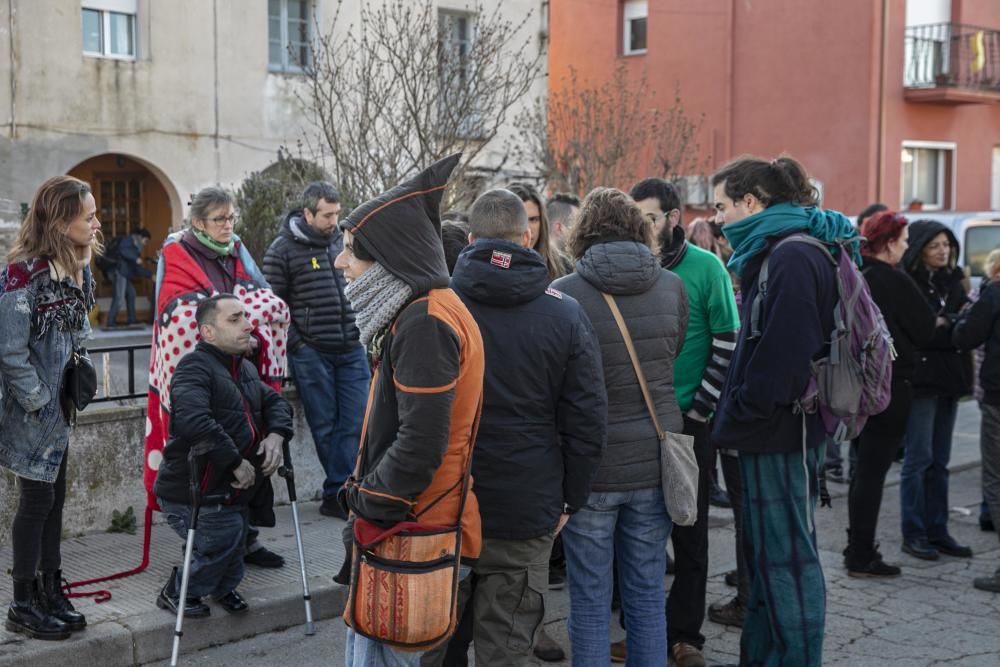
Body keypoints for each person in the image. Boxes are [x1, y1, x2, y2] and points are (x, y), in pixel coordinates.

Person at [424, 189, 607, 666]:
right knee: (507, 649)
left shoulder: (436, 308)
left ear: (469, 239)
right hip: (528, 502)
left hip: (447, 500)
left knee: (434, 646)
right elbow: (586, 418)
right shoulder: (565, 312)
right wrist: (571, 498)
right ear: (528, 236)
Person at [334, 154, 485, 666]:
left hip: (413, 525)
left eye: (351, 251)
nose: (340, 263)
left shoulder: (425, 321)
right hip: (412, 520)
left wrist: (367, 503)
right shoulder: (422, 310)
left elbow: (421, 443)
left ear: (389, 258)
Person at [711, 155, 857, 666]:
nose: (719, 219)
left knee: (788, 564)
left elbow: (784, 357)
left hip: (779, 430)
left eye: (722, 206)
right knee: (770, 562)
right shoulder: (784, 248)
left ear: (751, 202)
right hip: (778, 428)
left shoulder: (792, 256)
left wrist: (744, 408)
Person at [551, 187, 688, 667]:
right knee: (647, 593)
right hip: (654, 458)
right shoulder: (672, 287)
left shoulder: (564, 295)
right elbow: (670, 354)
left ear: (582, 233)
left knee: (588, 599)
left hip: (591, 466)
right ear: (641, 229)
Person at [145, 186, 290, 570]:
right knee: (211, 459)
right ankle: (206, 546)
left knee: (250, 445)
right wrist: (235, 315)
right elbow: (178, 312)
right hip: (203, 371)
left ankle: (246, 539)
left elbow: (263, 297)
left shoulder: (237, 249)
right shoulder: (177, 253)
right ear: (197, 222)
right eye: (220, 219)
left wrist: (243, 321)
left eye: (232, 218)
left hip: (242, 368)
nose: (229, 226)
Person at [629, 177, 739, 667]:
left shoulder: (706, 267)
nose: (642, 227)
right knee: (636, 534)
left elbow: (727, 340)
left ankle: (684, 636)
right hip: (635, 423)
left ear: (673, 218)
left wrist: (699, 409)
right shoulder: (630, 267)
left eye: (650, 218)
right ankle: (642, 635)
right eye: (636, 218)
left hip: (689, 425)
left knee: (688, 534)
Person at [0, 175, 99, 640]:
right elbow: (10, 350)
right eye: (89, 216)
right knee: (37, 501)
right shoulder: (23, 273)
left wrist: (83, 264)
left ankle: (49, 589)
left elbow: (79, 331)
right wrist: (39, 402)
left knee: (54, 499)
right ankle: (22, 603)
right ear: (61, 222)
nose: (96, 223)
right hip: (32, 409)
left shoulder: (76, 267)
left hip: (61, 406)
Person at [153, 294, 293, 616]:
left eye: (245, 316)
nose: (248, 325)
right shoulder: (193, 367)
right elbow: (193, 420)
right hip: (194, 489)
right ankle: (177, 591)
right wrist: (234, 461)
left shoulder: (243, 368)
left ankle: (222, 587)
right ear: (208, 333)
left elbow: (276, 404)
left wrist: (276, 435)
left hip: (230, 489)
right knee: (223, 538)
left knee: (235, 540)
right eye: (235, 320)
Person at [262, 182, 369, 520]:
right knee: (325, 424)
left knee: (355, 419)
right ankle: (339, 492)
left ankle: (339, 490)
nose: (333, 220)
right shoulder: (282, 250)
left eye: (337, 213)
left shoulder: (343, 241)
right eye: (327, 214)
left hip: (352, 346)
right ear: (307, 213)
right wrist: (297, 344)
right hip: (311, 352)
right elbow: (272, 305)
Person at [844, 212, 935, 577]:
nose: (908, 245)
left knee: (862, 469)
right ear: (889, 242)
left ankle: (857, 547)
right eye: (905, 239)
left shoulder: (857, 276)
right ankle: (861, 553)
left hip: (858, 387)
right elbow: (927, 327)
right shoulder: (893, 280)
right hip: (890, 387)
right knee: (872, 472)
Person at [899, 219, 974, 561]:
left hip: (950, 379)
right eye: (935, 246)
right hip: (921, 381)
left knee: (940, 461)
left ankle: (938, 529)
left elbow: (965, 328)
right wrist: (946, 326)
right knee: (918, 459)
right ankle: (913, 531)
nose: (943, 251)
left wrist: (949, 324)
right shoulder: (909, 282)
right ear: (919, 250)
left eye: (947, 245)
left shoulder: (955, 281)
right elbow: (923, 332)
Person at [953, 248, 1000, 591]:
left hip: (998, 399)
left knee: (996, 481)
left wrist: (955, 321)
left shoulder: (994, 292)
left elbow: (967, 336)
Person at [507, 182, 572, 279]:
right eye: (519, 220)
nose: (527, 229)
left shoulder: (563, 266)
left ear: (542, 222)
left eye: (533, 220)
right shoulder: (487, 262)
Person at [105, 227, 153, 328]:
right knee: (119, 297)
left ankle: (132, 319)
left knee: (131, 294)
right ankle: (110, 322)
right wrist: (135, 258)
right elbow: (123, 251)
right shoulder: (129, 240)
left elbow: (136, 268)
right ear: (141, 237)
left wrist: (150, 275)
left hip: (124, 274)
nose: (145, 244)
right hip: (119, 272)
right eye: (146, 240)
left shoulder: (135, 248)